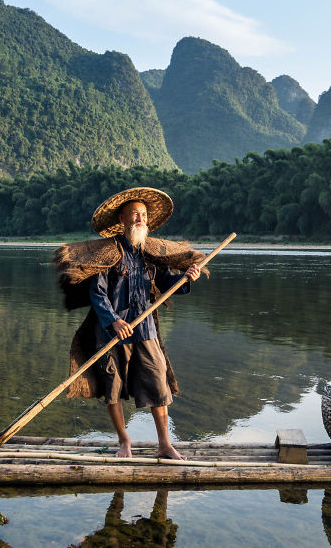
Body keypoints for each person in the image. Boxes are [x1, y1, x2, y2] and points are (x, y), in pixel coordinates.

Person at [53, 187, 205, 460]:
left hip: (145, 329)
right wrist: (113, 321)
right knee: (112, 387)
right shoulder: (108, 254)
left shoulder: (151, 254)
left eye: (144, 215)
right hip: (112, 333)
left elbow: (165, 285)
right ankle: (124, 442)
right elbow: (97, 294)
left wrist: (185, 279)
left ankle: (165, 445)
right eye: (135, 214)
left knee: (159, 383)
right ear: (121, 218)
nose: (140, 219)